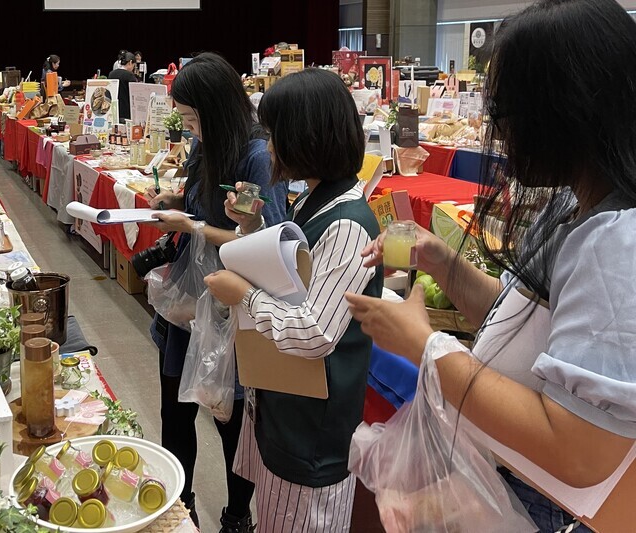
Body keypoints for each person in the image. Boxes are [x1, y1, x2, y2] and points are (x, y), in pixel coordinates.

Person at [345, 1, 636, 531]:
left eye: (506, 114)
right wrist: (439, 260)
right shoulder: (579, 200)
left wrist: (426, 346)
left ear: (563, 111)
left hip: (543, 507)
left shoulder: (617, 244)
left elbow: (578, 451)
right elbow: (516, 316)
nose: (498, 135)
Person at [204, 68, 383, 532]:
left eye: (275, 135)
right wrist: (250, 229)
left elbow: (313, 332)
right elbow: (293, 276)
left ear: (305, 138)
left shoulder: (349, 224)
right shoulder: (317, 200)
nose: (268, 148)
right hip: (285, 409)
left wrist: (242, 294)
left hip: (311, 434)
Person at [144, 52, 290, 533]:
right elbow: (197, 206)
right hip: (190, 297)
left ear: (216, 108)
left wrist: (193, 225)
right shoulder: (203, 147)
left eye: (191, 118)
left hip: (232, 302)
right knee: (175, 405)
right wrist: (174, 203)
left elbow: (261, 241)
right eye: (183, 119)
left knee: (228, 416)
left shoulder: (254, 156)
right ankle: (177, 504)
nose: (188, 129)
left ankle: (236, 515)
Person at [108, 52, 139, 120]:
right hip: (126, 112)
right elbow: (135, 94)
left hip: (113, 111)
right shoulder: (130, 76)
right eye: (134, 65)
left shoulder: (111, 74)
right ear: (130, 62)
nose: (133, 68)